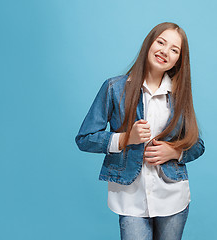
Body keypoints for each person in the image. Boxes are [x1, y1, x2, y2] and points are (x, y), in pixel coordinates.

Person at [75, 22, 205, 240]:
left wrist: (174, 152)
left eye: (174, 50)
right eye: (161, 42)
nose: (165, 51)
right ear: (149, 44)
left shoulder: (179, 95)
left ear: (178, 60)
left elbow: (197, 144)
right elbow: (84, 139)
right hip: (130, 198)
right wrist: (126, 138)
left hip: (173, 197)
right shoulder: (114, 88)